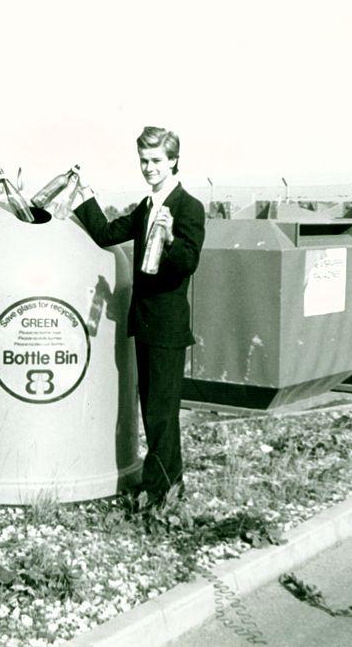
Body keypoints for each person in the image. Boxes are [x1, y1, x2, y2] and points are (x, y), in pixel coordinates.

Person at [72, 126, 205, 510]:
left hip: (167, 327)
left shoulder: (187, 207)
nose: (148, 168)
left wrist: (169, 239)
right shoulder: (147, 206)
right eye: (143, 161)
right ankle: (169, 484)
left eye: (156, 161)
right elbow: (106, 233)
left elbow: (187, 263)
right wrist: (85, 196)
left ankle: (157, 492)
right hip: (144, 325)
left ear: (173, 160)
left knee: (161, 413)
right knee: (154, 411)